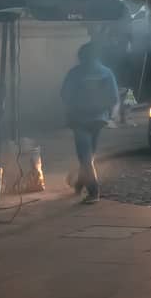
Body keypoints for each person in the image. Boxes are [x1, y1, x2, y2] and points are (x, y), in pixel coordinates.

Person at [60, 42, 119, 203]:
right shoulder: (107, 72)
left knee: (85, 156)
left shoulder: (75, 73)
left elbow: (65, 94)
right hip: (99, 119)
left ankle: (93, 191)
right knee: (89, 154)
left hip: (79, 119)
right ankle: (80, 184)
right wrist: (110, 116)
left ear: (81, 56)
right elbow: (114, 97)